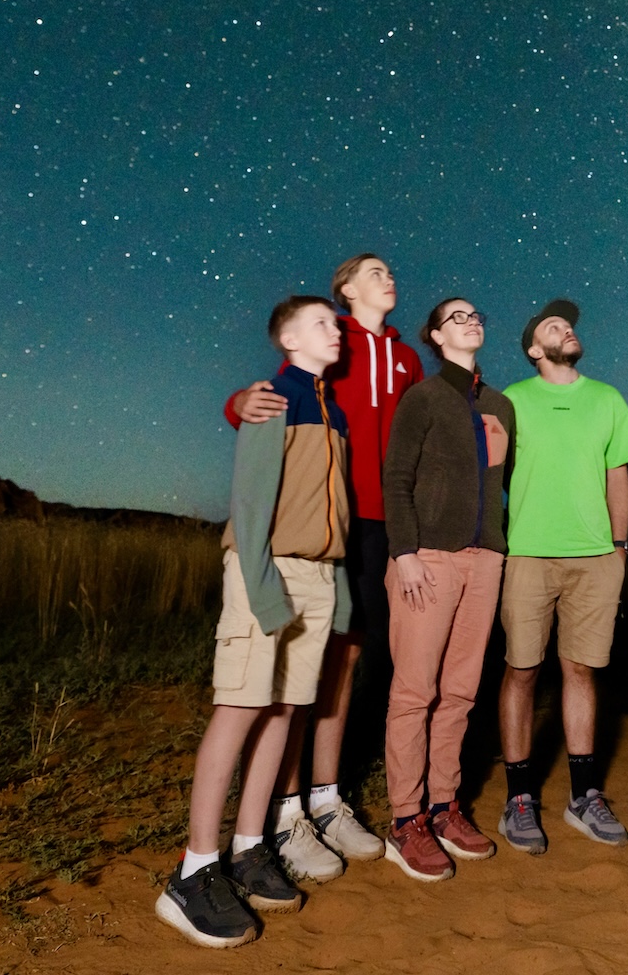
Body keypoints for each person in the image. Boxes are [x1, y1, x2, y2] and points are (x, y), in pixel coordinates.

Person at [156, 296, 353, 948]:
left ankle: (248, 846)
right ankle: (193, 871)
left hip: (319, 576)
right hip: (264, 570)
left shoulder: (336, 409)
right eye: (324, 322)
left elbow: (335, 509)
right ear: (289, 337)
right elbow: (250, 497)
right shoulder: (274, 396)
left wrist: (339, 585)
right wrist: (264, 585)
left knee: (287, 710)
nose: (337, 330)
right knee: (240, 708)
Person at [223, 254, 419, 879]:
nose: (390, 277)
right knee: (314, 662)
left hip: (387, 522)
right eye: (374, 270)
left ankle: (327, 800)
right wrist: (238, 401)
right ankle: (283, 810)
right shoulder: (336, 343)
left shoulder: (408, 357)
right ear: (345, 291)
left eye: (391, 270)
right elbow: (279, 394)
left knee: (352, 657)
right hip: (336, 519)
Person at [377, 298, 516, 881]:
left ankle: (443, 805)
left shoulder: (501, 405)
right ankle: (404, 819)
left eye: (477, 313)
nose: (472, 319)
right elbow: (397, 476)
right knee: (415, 691)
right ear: (436, 335)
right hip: (427, 558)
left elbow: (506, 481)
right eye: (457, 316)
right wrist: (404, 552)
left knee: (460, 691)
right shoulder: (425, 397)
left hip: (486, 559)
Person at [496, 299, 628, 853]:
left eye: (570, 323)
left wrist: (619, 548)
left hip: (595, 558)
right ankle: (519, 800)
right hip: (528, 555)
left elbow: (617, 476)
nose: (568, 327)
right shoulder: (513, 400)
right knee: (522, 671)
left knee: (580, 670)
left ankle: (583, 796)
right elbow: (491, 471)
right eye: (553, 325)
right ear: (535, 349)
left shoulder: (607, 400)